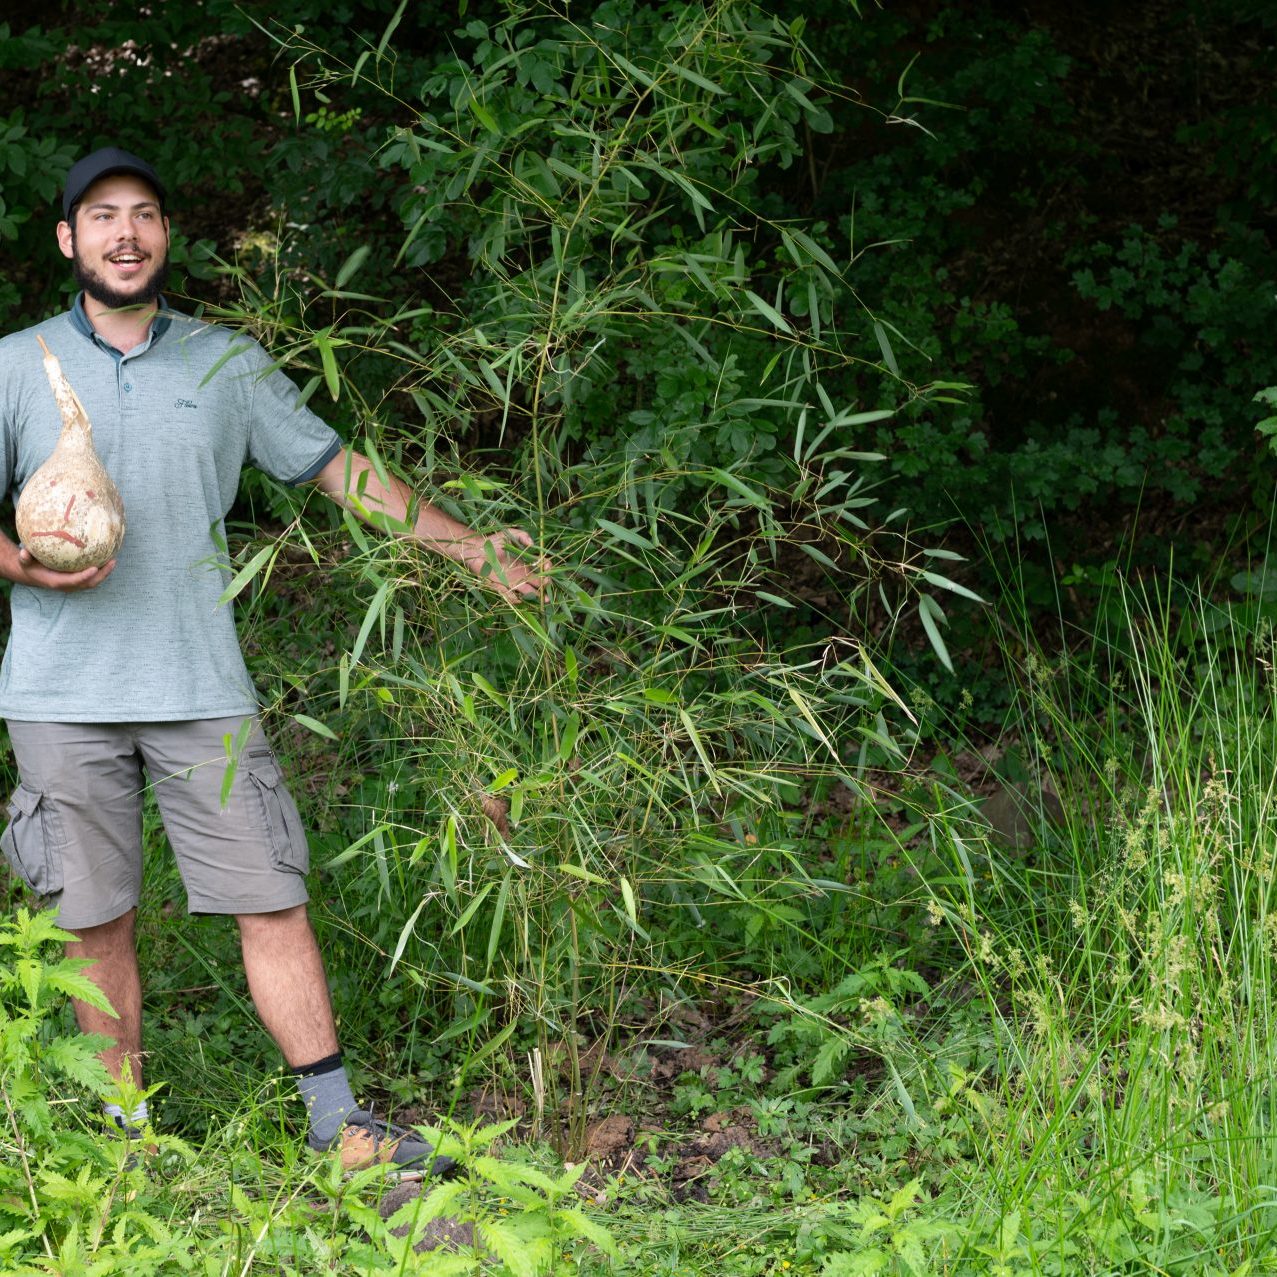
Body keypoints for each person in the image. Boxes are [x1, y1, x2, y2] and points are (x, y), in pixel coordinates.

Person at [0, 146, 542, 1175]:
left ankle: (340, 1126)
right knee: (92, 921)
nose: (125, 233)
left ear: (166, 235)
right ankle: (125, 1142)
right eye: (102, 216)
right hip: (60, 695)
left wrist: (473, 548)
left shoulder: (227, 362)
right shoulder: (14, 364)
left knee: (270, 896)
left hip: (201, 684)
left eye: (144, 213)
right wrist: (22, 563)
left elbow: (338, 471)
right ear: (68, 239)